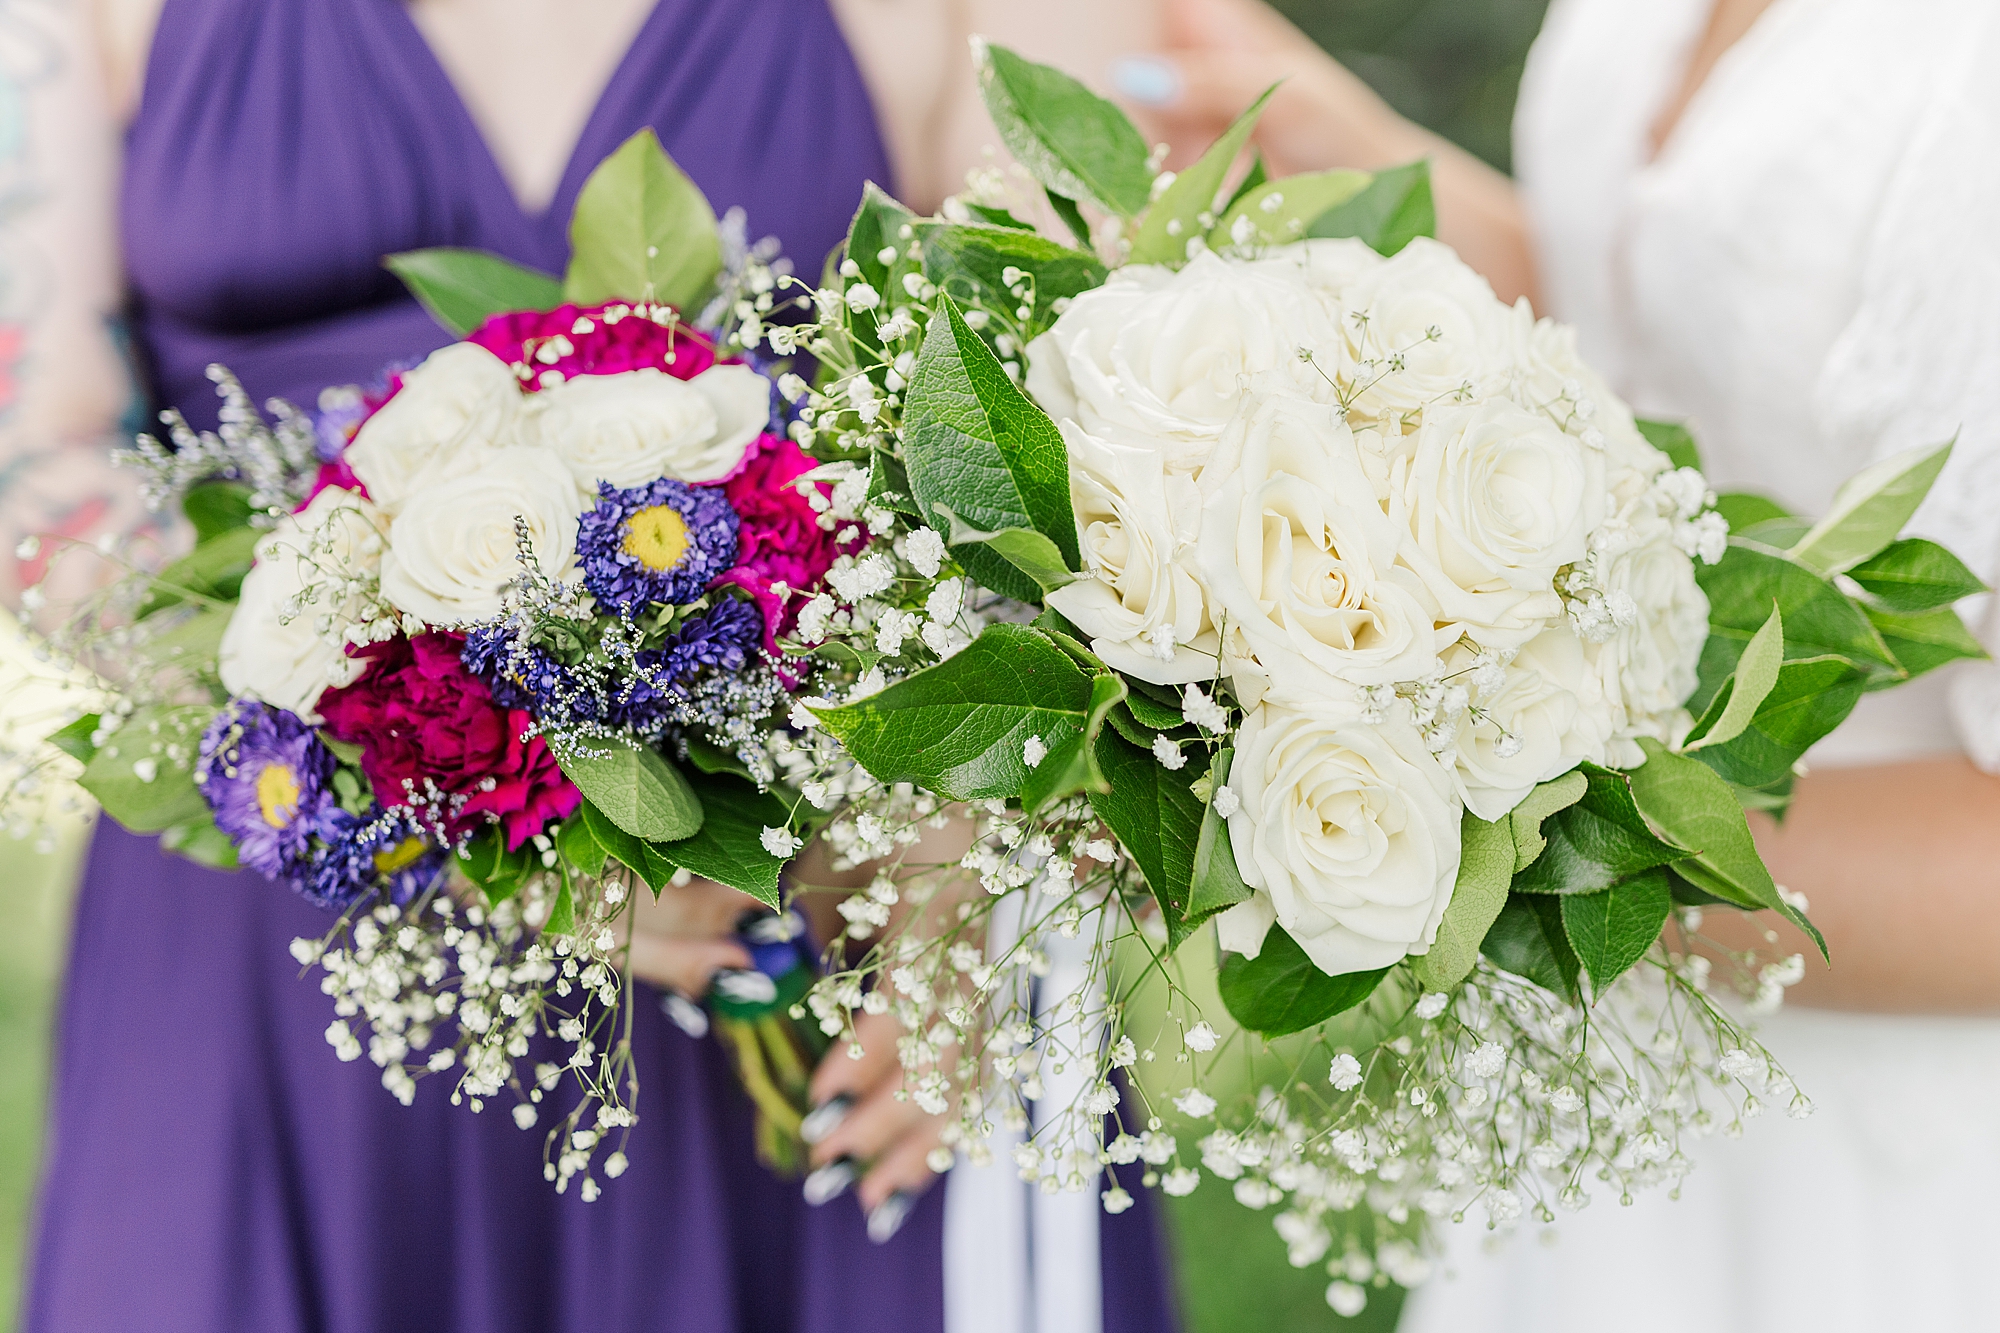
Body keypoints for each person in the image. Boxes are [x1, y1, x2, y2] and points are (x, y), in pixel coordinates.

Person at [7, 1, 1179, 1330]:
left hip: (824, 907)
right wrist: (453, 790)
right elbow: (39, 453)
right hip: (274, 931)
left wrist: (963, 868)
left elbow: (1087, 442)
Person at [1118, 0, 2000, 1328]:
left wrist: (1461, 807)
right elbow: (1708, 360)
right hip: (1616, 1087)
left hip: (1876, 1133)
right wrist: (1382, 173)